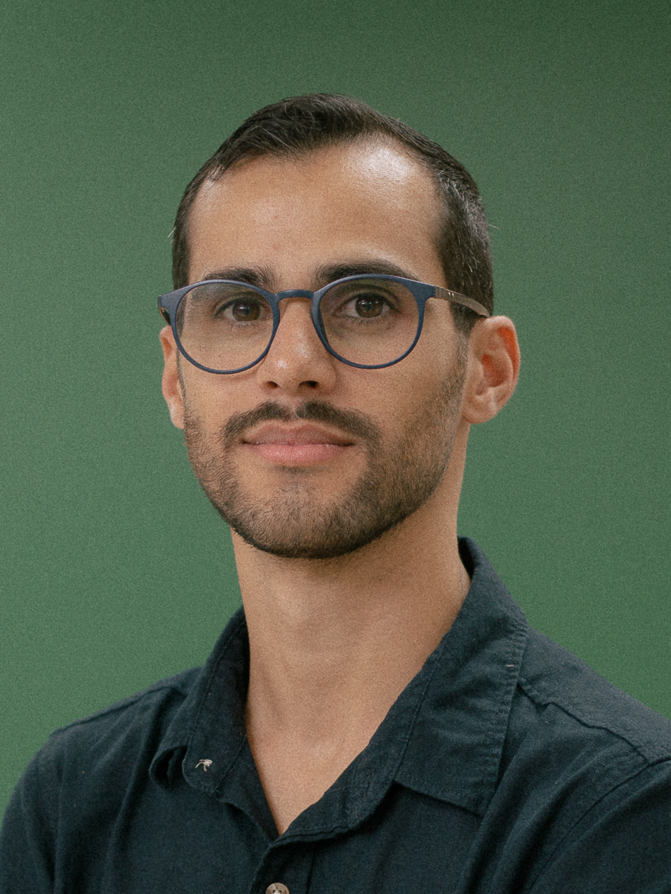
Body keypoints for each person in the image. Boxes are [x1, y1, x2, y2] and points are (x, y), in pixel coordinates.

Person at [1, 94, 670, 893]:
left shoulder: (619, 811)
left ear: (485, 370)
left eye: (365, 304)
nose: (291, 365)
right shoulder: (73, 804)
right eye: (239, 308)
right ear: (176, 377)